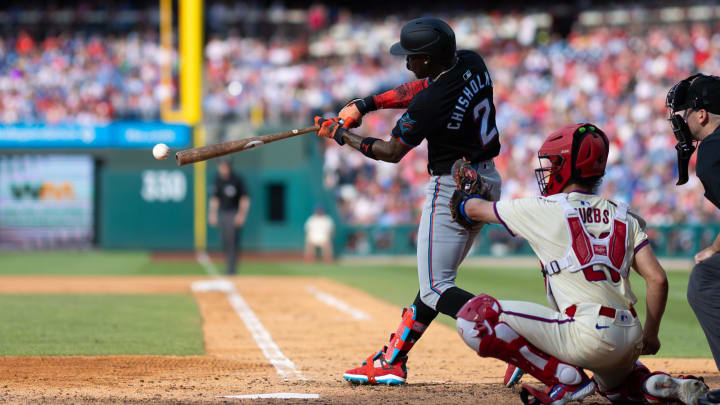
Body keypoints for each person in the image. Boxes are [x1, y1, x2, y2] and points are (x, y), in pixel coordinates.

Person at [450, 123, 709, 405]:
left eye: (552, 163)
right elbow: (657, 279)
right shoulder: (624, 215)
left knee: (474, 317)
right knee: (616, 390)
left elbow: (473, 209)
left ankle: (565, 379)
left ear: (565, 166)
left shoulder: (544, 208)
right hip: (629, 334)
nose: (547, 170)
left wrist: (464, 195)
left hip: (585, 333)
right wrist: (651, 336)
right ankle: (649, 383)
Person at [314, 17, 503, 385]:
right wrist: (365, 105)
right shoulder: (471, 61)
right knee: (436, 282)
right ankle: (392, 360)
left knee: (435, 287)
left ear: (430, 59)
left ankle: (516, 334)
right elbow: (422, 86)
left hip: (453, 187)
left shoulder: (431, 103)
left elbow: (390, 151)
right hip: (487, 178)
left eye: (413, 56)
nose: (407, 62)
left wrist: (341, 135)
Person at [667, 74, 720, 402]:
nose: (680, 122)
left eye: (683, 114)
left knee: (705, 279)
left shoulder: (713, 151)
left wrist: (712, 249)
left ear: (700, 115)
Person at [208, 159, 250, 275]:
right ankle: (229, 266)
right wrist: (212, 214)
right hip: (223, 213)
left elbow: (244, 198)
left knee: (232, 241)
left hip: (233, 212)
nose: (223, 168)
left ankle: (232, 269)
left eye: (225, 166)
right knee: (225, 241)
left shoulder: (236, 179)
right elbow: (215, 199)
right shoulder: (218, 180)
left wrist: (241, 214)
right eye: (221, 166)